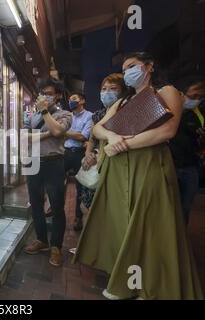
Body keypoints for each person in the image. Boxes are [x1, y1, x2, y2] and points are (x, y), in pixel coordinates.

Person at [73, 52, 203, 300]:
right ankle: (131, 278)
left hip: (150, 165)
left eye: (132, 66)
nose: (128, 72)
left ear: (150, 66)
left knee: (152, 224)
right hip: (120, 169)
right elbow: (98, 128)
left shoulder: (167, 92)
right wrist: (111, 137)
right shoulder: (122, 103)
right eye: (125, 69)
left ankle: (153, 284)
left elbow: (167, 131)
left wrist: (124, 144)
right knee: (124, 221)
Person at [22, 79, 72, 267]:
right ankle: (42, 240)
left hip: (54, 163)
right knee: (36, 204)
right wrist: (47, 134)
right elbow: (24, 137)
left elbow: (58, 130)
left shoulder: (64, 114)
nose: (44, 96)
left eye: (49, 93)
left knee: (57, 207)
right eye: (42, 93)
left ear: (57, 95)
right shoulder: (32, 116)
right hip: (33, 163)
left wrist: (44, 112)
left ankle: (56, 247)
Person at [80, 73, 128, 211]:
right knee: (87, 207)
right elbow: (91, 139)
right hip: (96, 165)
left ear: (123, 92)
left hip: (116, 166)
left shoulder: (126, 114)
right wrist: (88, 153)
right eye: (104, 89)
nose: (107, 92)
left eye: (113, 88)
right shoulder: (98, 115)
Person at [169, 78, 205, 224]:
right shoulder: (171, 110)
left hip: (190, 168)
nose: (196, 99)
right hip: (170, 166)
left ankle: (181, 241)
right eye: (193, 94)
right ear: (183, 93)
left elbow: (198, 144)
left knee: (185, 208)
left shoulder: (199, 115)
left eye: (200, 96)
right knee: (169, 207)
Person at [63, 93, 93, 231]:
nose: (71, 101)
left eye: (74, 99)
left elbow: (83, 136)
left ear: (83, 100)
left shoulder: (89, 116)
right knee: (57, 183)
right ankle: (55, 208)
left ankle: (78, 217)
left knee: (80, 187)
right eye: (70, 99)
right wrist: (69, 133)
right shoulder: (68, 116)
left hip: (79, 154)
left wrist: (62, 130)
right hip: (65, 152)